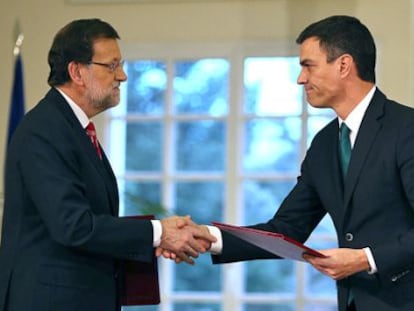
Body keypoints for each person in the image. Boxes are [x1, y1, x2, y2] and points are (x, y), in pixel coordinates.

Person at [161, 15, 414, 311]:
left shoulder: (406, 129)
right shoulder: (323, 144)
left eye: (308, 65)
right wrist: (211, 236)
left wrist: (365, 259)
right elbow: (287, 228)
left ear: (344, 65)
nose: (300, 79)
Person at [0, 18, 215, 311]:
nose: (123, 76)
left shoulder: (72, 128)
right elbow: (73, 226)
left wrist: (154, 237)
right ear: (77, 71)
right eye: (112, 66)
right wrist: (158, 232)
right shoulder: (44, 130)